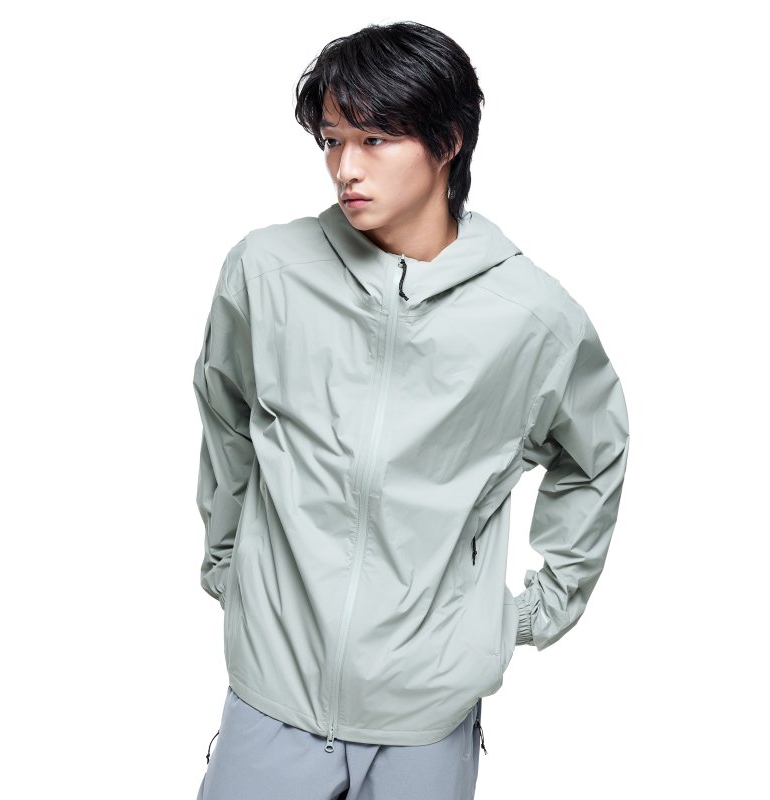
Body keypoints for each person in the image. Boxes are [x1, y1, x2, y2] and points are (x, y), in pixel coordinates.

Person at [192, 20, 629, 800]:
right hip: (271, 696)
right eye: (333, 140)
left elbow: (595, 455)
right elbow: (226, 418)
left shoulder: (531, 318)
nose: (345, 168)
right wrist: (231, 563)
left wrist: (539, 607)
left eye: (375, 140)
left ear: (448, 142)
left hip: (425, 718)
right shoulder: (267, 271)